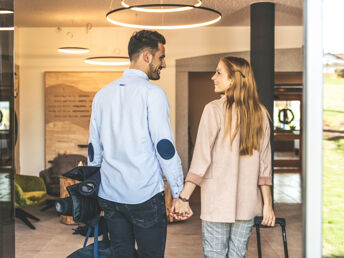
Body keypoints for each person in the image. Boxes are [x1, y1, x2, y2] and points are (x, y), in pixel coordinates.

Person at [88, 30, 184, 258]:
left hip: (111, 195)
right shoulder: (153, 94)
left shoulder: (102, 95)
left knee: (120, 254)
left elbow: (94, 150)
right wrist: (179, 192)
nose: (164, 64)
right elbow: (164, 147)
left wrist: (93, 190)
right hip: (145, 195)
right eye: (161, 57)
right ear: (147, 57)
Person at [172, 56, 276, 257]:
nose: (213, 77)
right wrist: (267, 206)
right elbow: (265, 166)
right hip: (247, 204)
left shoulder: (213, 110)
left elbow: (201, 159)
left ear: (234, 80)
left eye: (219, 72)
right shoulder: (260, 113)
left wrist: (184, 197)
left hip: (217, 202)